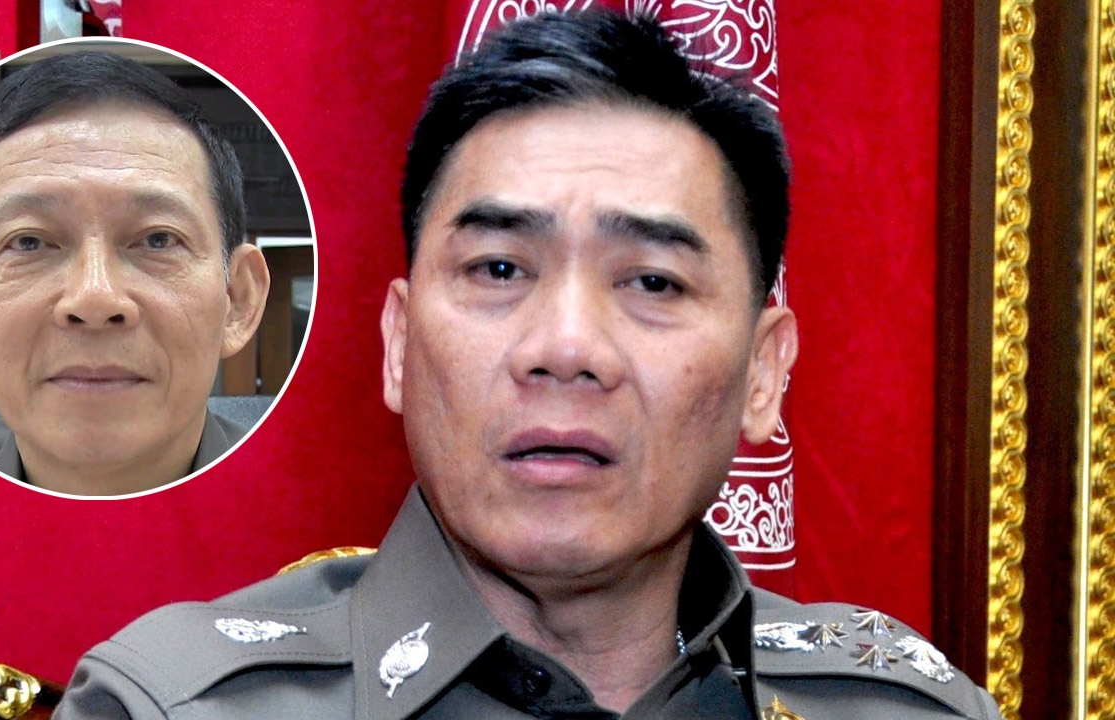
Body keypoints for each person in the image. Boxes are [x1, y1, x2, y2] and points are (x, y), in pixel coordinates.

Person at [52, 11, 1003, 718]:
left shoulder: (907, 710)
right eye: (500, 269)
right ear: (398, 345)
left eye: (654, 282)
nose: (566, 348)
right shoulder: (174, 707)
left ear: (763, 373)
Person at [0, 50, 270, 496]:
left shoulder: (326, 514)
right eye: (29, 242)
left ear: (237, 300)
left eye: (158, 240)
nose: (94, 299)